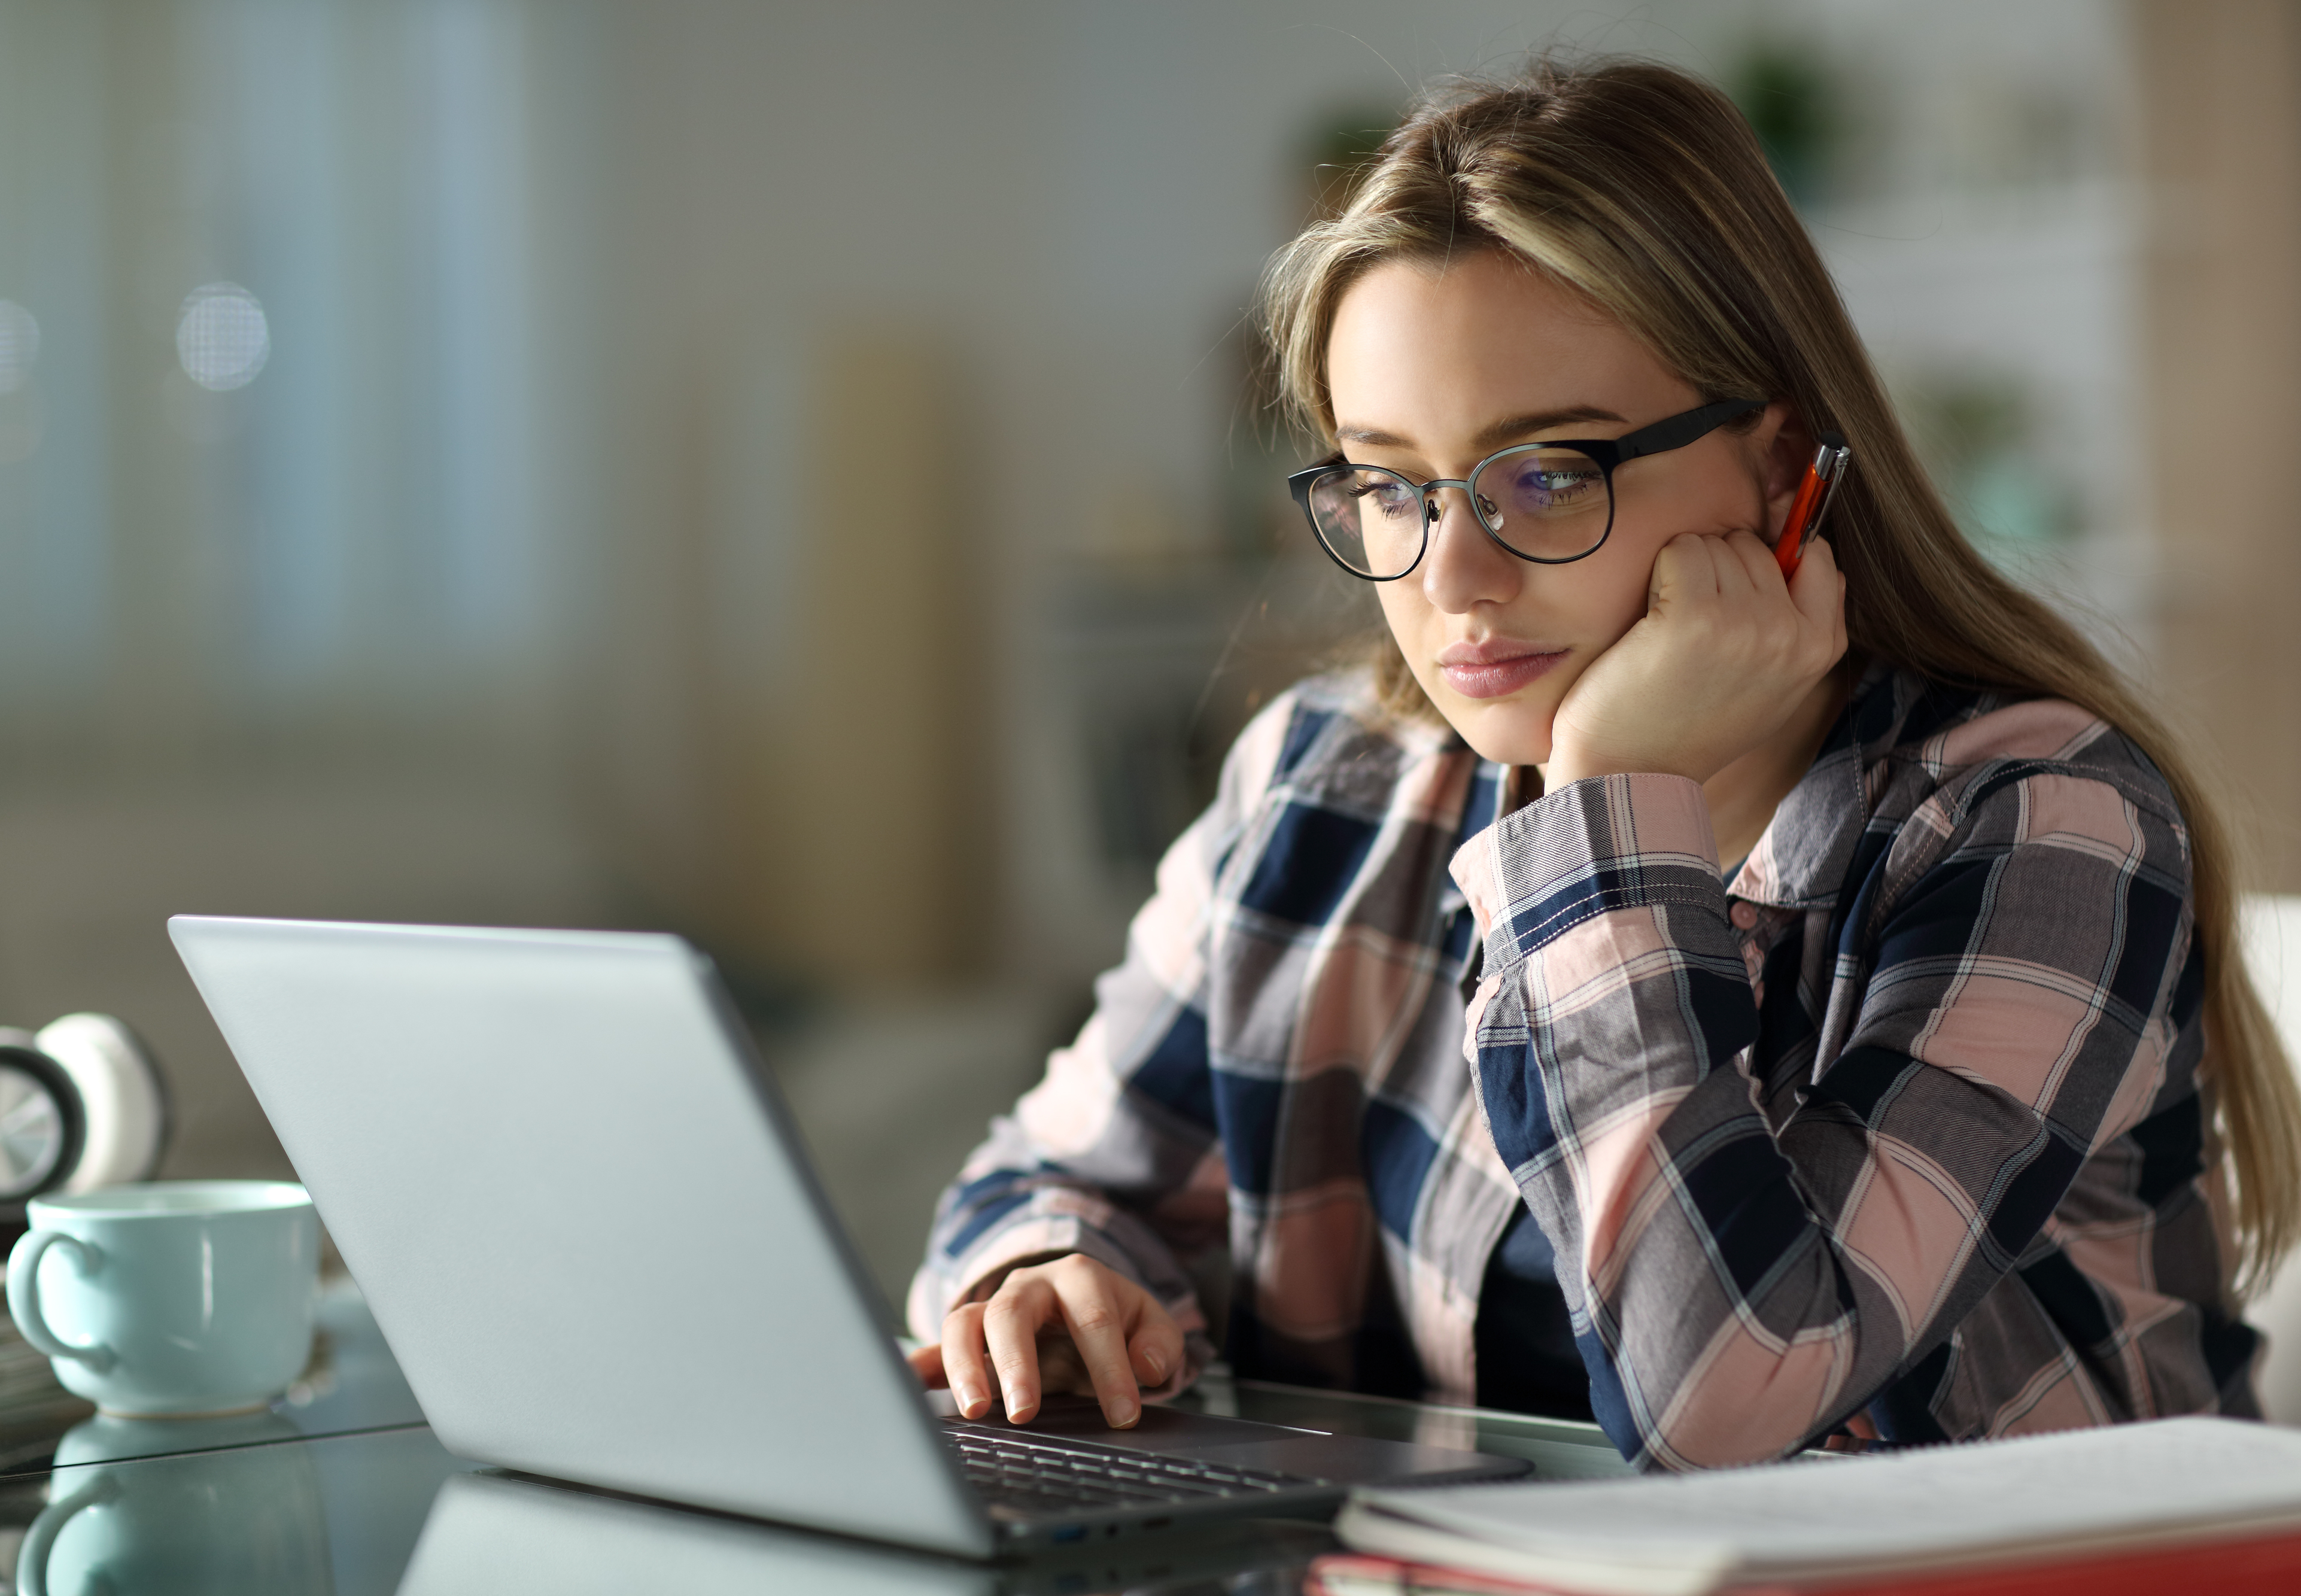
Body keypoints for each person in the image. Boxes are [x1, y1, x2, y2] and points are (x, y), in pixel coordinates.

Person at [905, 57, 2301, 1470]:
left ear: (1776, 471)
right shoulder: (1320, 781)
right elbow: (1040, 1183)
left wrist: (1603, 809)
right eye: (1387, 485)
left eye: (1548, 473)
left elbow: (1724, 1401)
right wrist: (1041, 1278)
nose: (1451, 576)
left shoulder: (2036, 822)